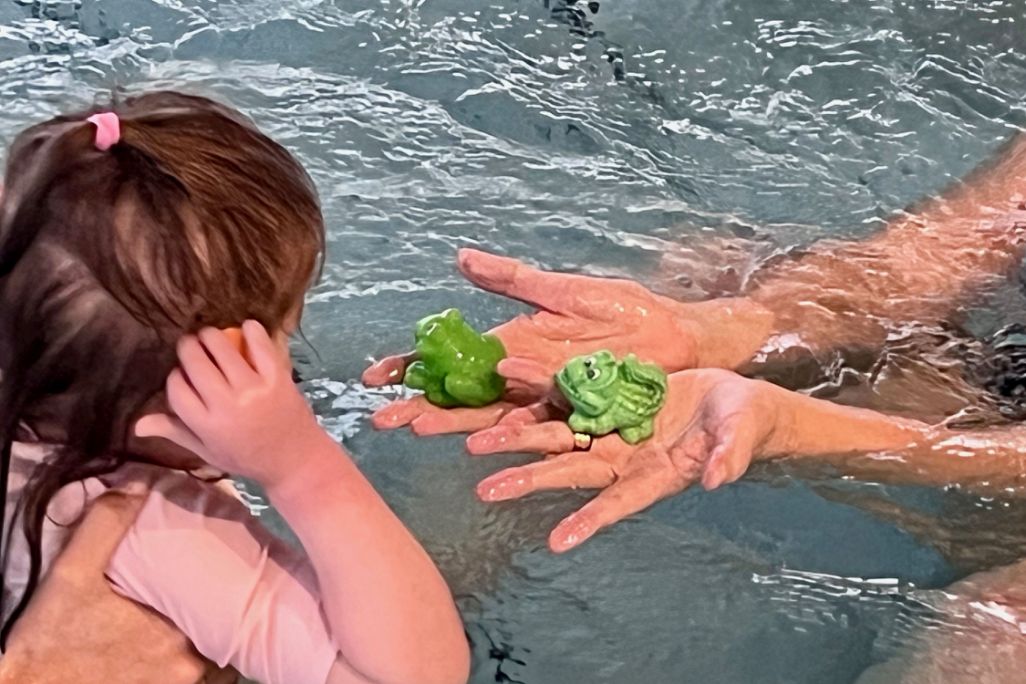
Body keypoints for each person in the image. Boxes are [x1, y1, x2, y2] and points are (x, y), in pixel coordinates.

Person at [365, 130, 1026, 552]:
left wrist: (802, 431)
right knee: (700, 276)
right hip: (988, 373)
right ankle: (414, 590)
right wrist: (720, 327)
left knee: (996, 632)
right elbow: (922, 261)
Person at [0, 92, 470, 684]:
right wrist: (304, 471)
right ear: (198, 392)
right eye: (281, 338)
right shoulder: (149, 528)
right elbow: (416, 676)